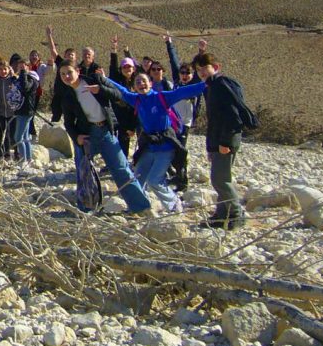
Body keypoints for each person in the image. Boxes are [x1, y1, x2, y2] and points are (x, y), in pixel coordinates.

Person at [57, 61, 152, 214]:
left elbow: (118, 95)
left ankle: (141, 207)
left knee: (122, 169)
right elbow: (68, 122)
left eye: (69, 72)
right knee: (84, 172)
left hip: (106, 132)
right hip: (87, 135)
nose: (66, 77)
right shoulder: (67, 96)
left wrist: (100, 90)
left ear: (77, 70)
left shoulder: (95, 80)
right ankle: (86, 208)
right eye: (62, 74)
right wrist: (76, 137)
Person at [105, 73, 206, 213]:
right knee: (137, 179)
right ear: (134, 87)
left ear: (151, 83)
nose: (141, 84)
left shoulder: (161, 97)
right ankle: (141, 207)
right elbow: (121, 91)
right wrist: (104, 78)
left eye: (144, 81)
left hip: (165, 148)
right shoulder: (136, 100)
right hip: (149, 147)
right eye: (138, 82)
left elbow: (183, 92)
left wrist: (207, 84)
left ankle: (174, 204)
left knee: (154, 180)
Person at [193, 51, 250, 229]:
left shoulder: (221, 85)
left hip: (226, 139)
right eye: (199, 69)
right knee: (219, 177)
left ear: (216, 67)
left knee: (220, 179)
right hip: (218, 139)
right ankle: (221, 214)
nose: (201, 72)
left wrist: (225, 143)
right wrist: (211, 147)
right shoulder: (212, 86)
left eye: (205, 68)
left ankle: (235, 214)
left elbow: (232, 117)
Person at [164, 36, 205, 189]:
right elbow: (173, 60)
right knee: (172, 147)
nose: (184, 75)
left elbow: (199, 67)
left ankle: (183, 179)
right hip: (173, 120)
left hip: (185, 122)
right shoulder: (177, 82)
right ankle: (177, 174)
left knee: (181, 148)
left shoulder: (194, 84)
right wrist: (169, 43)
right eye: (182, 72)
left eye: (187, 72)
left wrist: (201, 51)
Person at [109, 36, 139, 161]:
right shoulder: (117, 79)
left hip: (129, 117)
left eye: (129, 67)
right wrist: (114, 49)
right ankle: (115, 164)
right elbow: (113, 66)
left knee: (125, 141)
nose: (127, 69)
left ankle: (124, 163)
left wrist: (132, 127)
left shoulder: (137, 83)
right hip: (116, 114)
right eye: (124, 67)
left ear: (133, 69)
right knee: (115, 141)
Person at [11, 61, 40, 165]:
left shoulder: (32, 79)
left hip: (25, 111)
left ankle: (23, 160)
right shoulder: (21, 78)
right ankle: (28, 159)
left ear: (29, 67)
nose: (21, 69)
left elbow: (25, 87)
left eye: (24, 67)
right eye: (19, 67)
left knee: (18, 137)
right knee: (26, 137)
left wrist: (23, 73)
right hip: (21, 110)